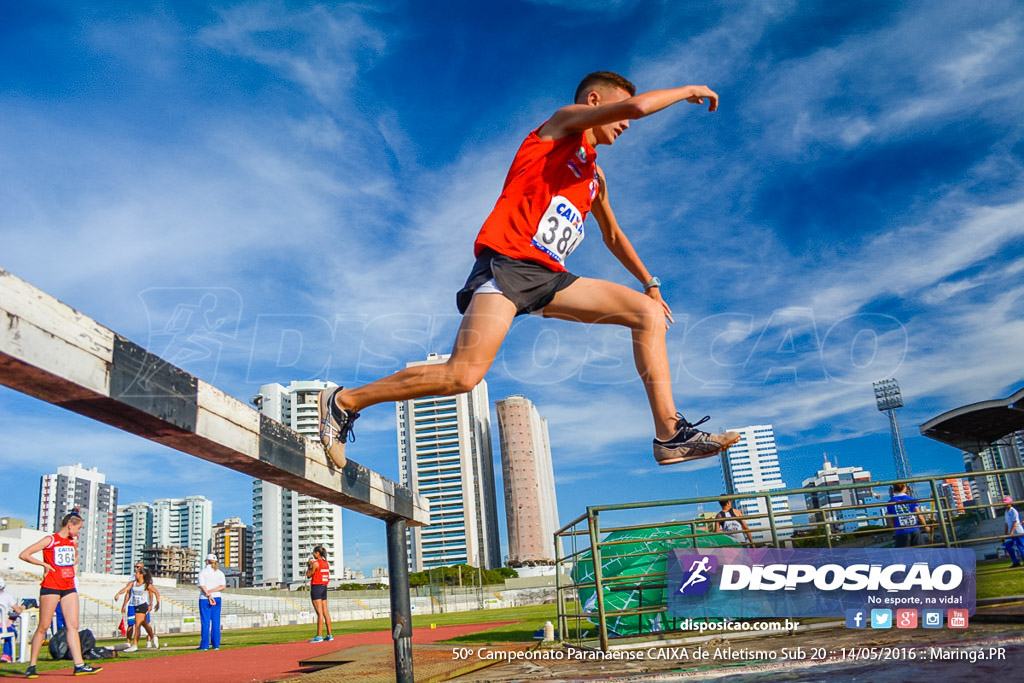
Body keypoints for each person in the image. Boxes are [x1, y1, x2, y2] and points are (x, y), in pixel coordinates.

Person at [318, 72, 740, 469]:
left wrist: (650, 284)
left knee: (646, 315)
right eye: (619, 110)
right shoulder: (561, 126)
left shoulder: (595, 176)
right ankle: (347, 401)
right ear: (595, 101)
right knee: (463, 376)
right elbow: (636, 110)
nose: (626, 125)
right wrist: (686, 90)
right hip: (508, 265)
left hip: (551, 278)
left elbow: (612, 235)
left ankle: (668, 436)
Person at [17, 509, 102, 677]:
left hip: (68, 586)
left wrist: (71, 560)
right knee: (43, 626)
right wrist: (44, 565)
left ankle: (79, 664)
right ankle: (32, 665)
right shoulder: (50, 540)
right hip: (51, 587)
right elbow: (24, 554)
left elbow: (74, 559)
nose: (79, 532)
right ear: (70, 525)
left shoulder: (72, 542)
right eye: (78, 528)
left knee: (73, 626)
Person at [114, 561, 157, 649]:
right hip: (132, 604)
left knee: (145, 623)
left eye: (139, 567)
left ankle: (149, 640)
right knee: (131, 624)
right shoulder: (132, 579)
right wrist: (124, 604)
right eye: (136, 566)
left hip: (142, 604)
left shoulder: (147, 580)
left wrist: (151, 604)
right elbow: (128, 592)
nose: (136, 568)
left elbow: (151, 593)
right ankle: (129, 643)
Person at [196, 554, 226, 651]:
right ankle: (216, 644)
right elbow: (223, 586)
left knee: (205, 622)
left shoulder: (202, 572)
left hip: (205, 598)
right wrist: (213, 591)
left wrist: (208, 594)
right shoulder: (220, 573)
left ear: (207, 561)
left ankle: (204, 645)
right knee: (216, 621)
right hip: (217, 597)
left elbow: (202, 586)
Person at [306, 546, 334, 643]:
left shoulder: (316, 563)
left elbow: (309, 575)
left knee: (320, 613)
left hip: (316, 587)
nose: (313, 555)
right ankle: (329, 634)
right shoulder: (326, 563)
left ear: (317, 553)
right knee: (325, 611)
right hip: (324, 587)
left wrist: (309, 565)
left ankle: (319, 636)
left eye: (314, 553)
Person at [886, 483, 928, 547]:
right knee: (920, 551)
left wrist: (895, 530)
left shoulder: (890, 502)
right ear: (904, 487)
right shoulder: (911, 499)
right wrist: (926, 526)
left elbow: (891, 521)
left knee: (903, 553)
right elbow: (919, 515)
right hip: (914, 528)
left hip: (900, 530)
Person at [0, 577, 27, 664]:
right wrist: (22, 607)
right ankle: (6, 655)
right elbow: (18, 611)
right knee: (12, 633)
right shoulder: (7, 596)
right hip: (2, 626)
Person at [1003, 496, 1024, 568]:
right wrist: (1005, 534)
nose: (1005, 505)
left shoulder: (1013, 510)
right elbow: (1006, 523)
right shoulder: (1006, 512)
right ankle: (1015, 562)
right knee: (1008, 546)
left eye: (1007, 503)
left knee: (1021, 546)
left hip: (1017, 531)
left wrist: (1011, 532)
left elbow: (1015, 522)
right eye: (1005, 503)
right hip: (1010, 532)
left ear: (1010, 503)